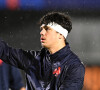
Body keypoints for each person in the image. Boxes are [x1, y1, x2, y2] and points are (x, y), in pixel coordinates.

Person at [0, 12, 85, 90]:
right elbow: (5, 51)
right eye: (41, 29)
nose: (42, 32)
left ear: (60, 35)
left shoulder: (74, 66)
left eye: (47, 29)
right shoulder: (34, 59)